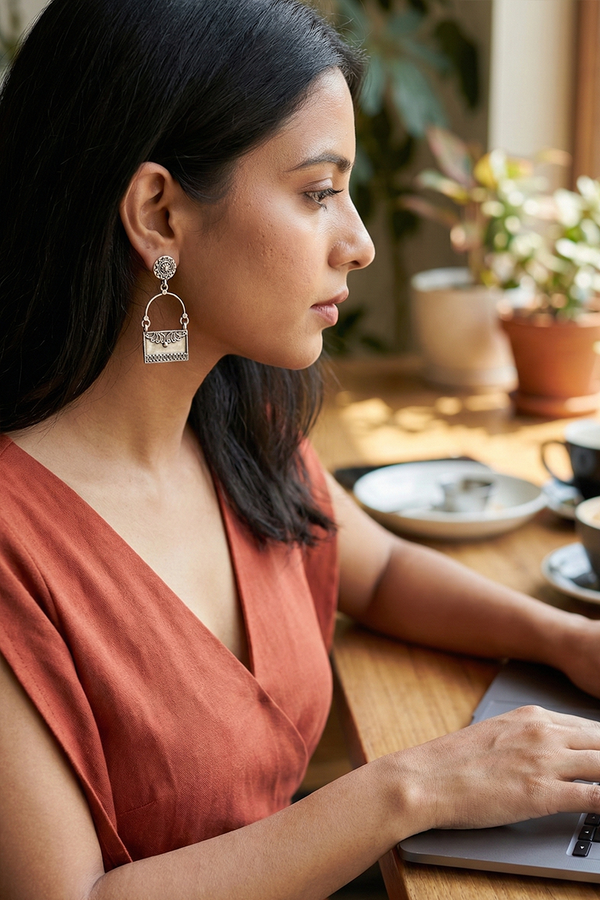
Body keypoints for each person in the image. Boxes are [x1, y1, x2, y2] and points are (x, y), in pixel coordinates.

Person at [1, 1, 600, 898]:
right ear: (159, 214)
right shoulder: (16, 544)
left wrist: (568, 639)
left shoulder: (238, 416)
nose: (357, 244)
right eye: (319, 192)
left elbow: (382, 572)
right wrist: (416, 786)